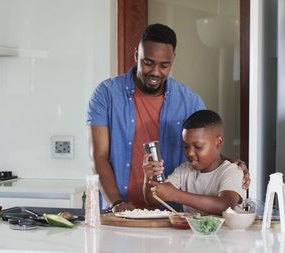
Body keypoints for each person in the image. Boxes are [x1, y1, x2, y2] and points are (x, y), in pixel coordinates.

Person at [86, 23, 249, 212]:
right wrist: (116, 203)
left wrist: (233, 164)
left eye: (164, 65)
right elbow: (98, 155)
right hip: (117, 209)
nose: (155, 72)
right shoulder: (106, 94)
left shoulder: (190, 101)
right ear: (136, 55)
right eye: (148, 62)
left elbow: (206, 143)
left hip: (169, 214)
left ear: (173, 60)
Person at [143, 110, 245, 215]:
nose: (190, 153)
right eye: (186, 146)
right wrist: (149, 177)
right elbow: (153, 200)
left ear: (218, 143)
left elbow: (225, 206)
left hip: (226, 231)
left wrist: (176, 195)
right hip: (194, 232)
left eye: (198, 147)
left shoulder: (232, 171)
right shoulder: (184, 170)